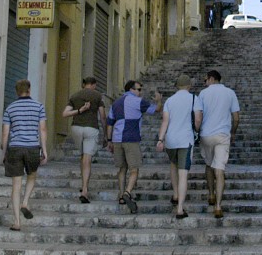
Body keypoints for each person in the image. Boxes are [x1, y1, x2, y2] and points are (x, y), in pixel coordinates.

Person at [105, 79, 162, 213]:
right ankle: (128, 192)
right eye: (139, 89)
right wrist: (159, 100)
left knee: (122, 169)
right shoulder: (138, 102)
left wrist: (109, 140)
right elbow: (157, 110)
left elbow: (109, 123)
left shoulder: (115, 103)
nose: (140, 92)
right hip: (131, 139)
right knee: (134, 169)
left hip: (117, 139)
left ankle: (121, 195)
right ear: (131, 89)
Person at [0, 79, 48, 231]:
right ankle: (25, 202)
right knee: (32, 176)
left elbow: (5, 133)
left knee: (16, 185)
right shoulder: (39, 106)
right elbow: (43, 129)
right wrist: (44, 150)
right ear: (29, 90)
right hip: (32, 148)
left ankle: (16, 222)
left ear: (16, 91)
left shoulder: (10, 108)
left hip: (15, 148)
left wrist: (4, 152)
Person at [193, 69, 239, 219]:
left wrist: (196, 131)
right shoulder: (230, 93)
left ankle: (211, 194)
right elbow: (236, 117)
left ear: (211, 79)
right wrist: (233, 132)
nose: (205, 83)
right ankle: (218, 206)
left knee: (208, 164)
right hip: (223, 135)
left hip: (206, 134)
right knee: (219, 170)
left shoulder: (203, 94)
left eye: (205, 80)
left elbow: (198, 116)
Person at [155, 74, 197, 219]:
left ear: (177, 86)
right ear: (189, 86)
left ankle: (175, 194)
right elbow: (197, 120)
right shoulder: (194, 99)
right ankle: (180, 209)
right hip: (185, 140)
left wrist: (160, 139)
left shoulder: (170, 101)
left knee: (173, 165)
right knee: (183, 173)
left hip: (171, 140)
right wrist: (196, 129)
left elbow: (165, 121)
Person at [62, 76, 105, 203]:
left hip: (76, 128)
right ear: (94, 85)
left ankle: (83, 185)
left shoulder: (75, 96)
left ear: (84, 84)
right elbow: (102, 116)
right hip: (91, 128)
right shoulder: (98, 96)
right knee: (87, 158)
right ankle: (85, 189)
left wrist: (80, 110)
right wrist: (107, 135)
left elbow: (65, 114)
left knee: (82, 157)